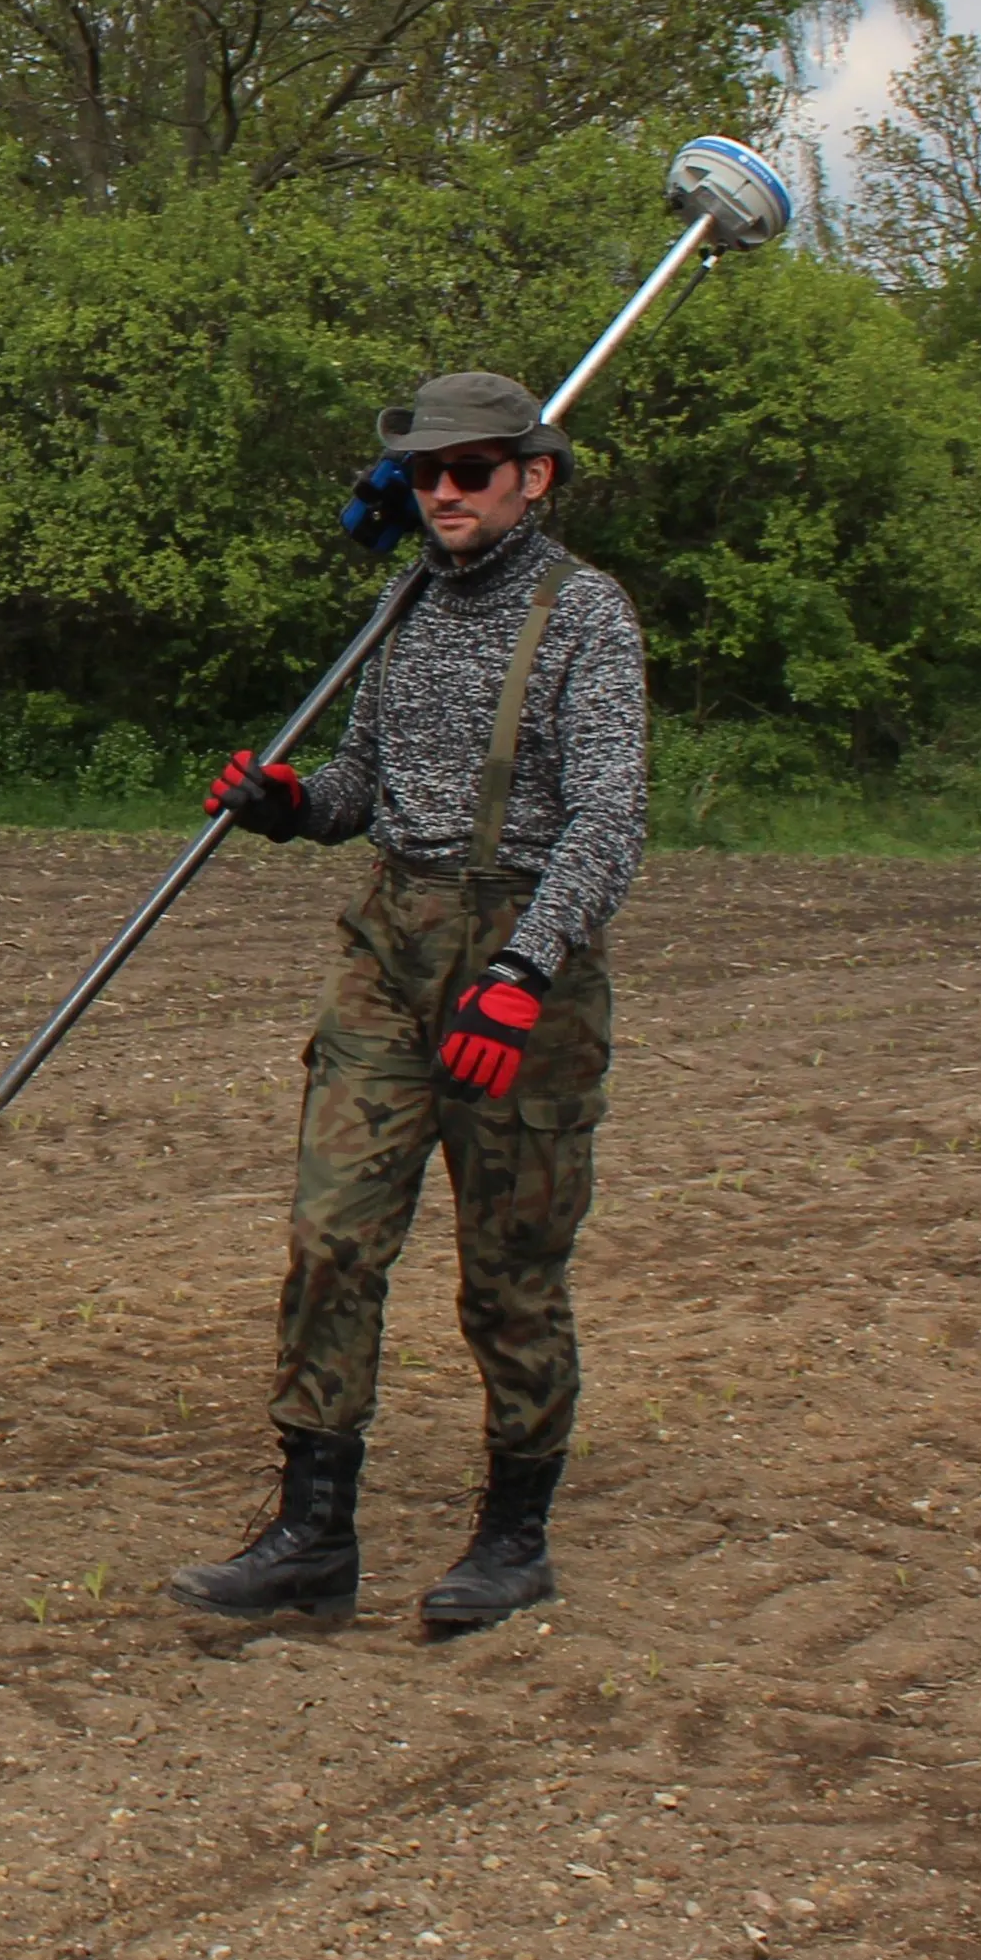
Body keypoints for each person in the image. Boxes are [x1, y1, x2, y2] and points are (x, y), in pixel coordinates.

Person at [166, 370, 646, 1636]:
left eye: (472, 470)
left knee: (511, 1275)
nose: (444, 491)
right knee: (332, 1241)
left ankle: (513, 1535)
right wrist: (287, 807)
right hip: (391, 950)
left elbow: (610, 821)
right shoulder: (404, 606)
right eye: (428, 472)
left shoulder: (587, 616)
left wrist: (525, 974)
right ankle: (312, 1533)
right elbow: (362, 785)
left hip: (523, 965)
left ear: (531, 479)